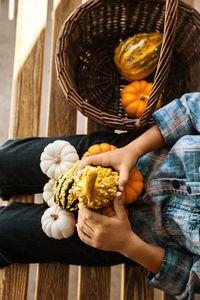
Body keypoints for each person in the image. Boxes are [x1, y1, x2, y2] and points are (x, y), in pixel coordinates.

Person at [0, 92, 200, 299]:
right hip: (115, 158)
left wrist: (126, 244)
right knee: (5, 163)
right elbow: (190, 111)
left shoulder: (120, 240)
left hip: (114, 235)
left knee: (4, 230)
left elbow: (189, 277)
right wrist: (132, 150)